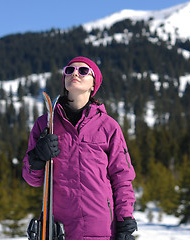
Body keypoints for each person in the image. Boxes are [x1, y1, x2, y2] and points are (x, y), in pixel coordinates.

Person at [22, 56, 137, 240]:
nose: (75, 73)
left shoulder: (108, 126)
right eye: (69, 70)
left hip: (101, 228)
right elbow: (32, 179)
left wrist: (125, 220)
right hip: (59, 230)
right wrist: (37, 156)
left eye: (83, 71)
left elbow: (122, 177)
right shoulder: (46, 124)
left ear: (93, 85)